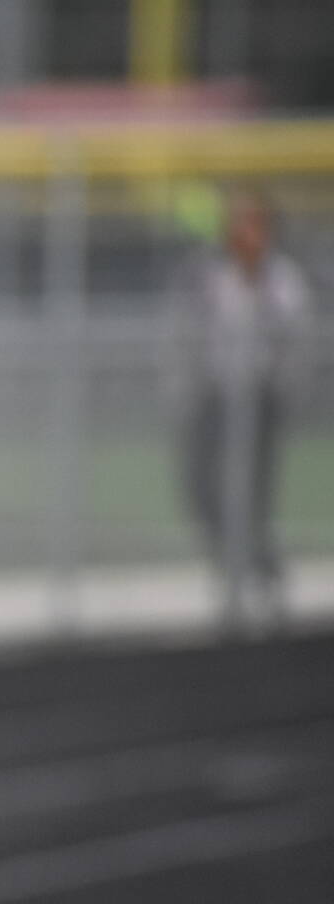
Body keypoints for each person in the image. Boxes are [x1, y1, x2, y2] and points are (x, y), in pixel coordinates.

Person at [171, 186, 315, 627]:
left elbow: (295, 343)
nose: (243, 232)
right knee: (201, 485)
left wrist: (282, 389)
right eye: (237, 222)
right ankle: (234, 563)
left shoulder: (283, 281)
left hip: (260, 397)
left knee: (253, 495)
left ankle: (260, 572)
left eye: (252, 223)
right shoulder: (212, 275)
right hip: (217, 395)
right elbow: (190, 332)